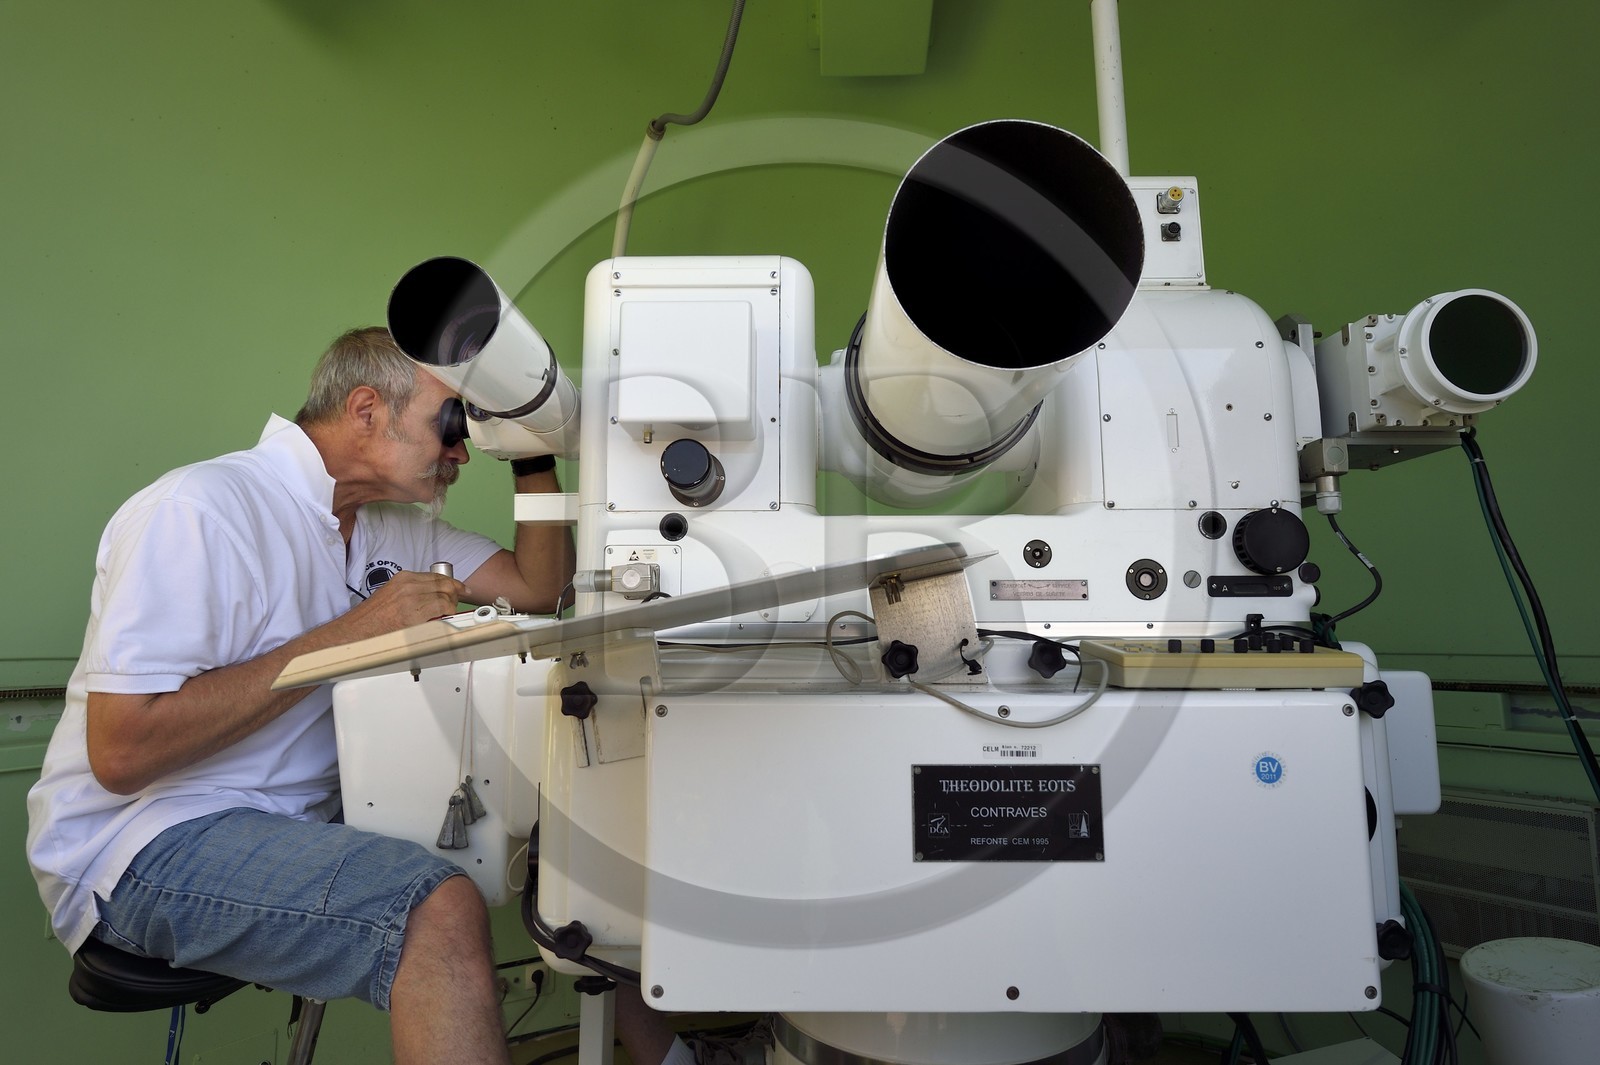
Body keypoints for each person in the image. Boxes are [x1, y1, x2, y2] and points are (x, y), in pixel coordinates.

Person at [26, 326, 580, 1064]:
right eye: (454, 424)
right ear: (365, 409)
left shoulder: (394, 532)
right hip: (143, 842)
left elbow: (541, 588)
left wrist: (533, 451)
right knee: (437, 908)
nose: (462, 450)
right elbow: (121, 751)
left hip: (289, 820)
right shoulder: (201, 509)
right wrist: (354, 633)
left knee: (572, 852)